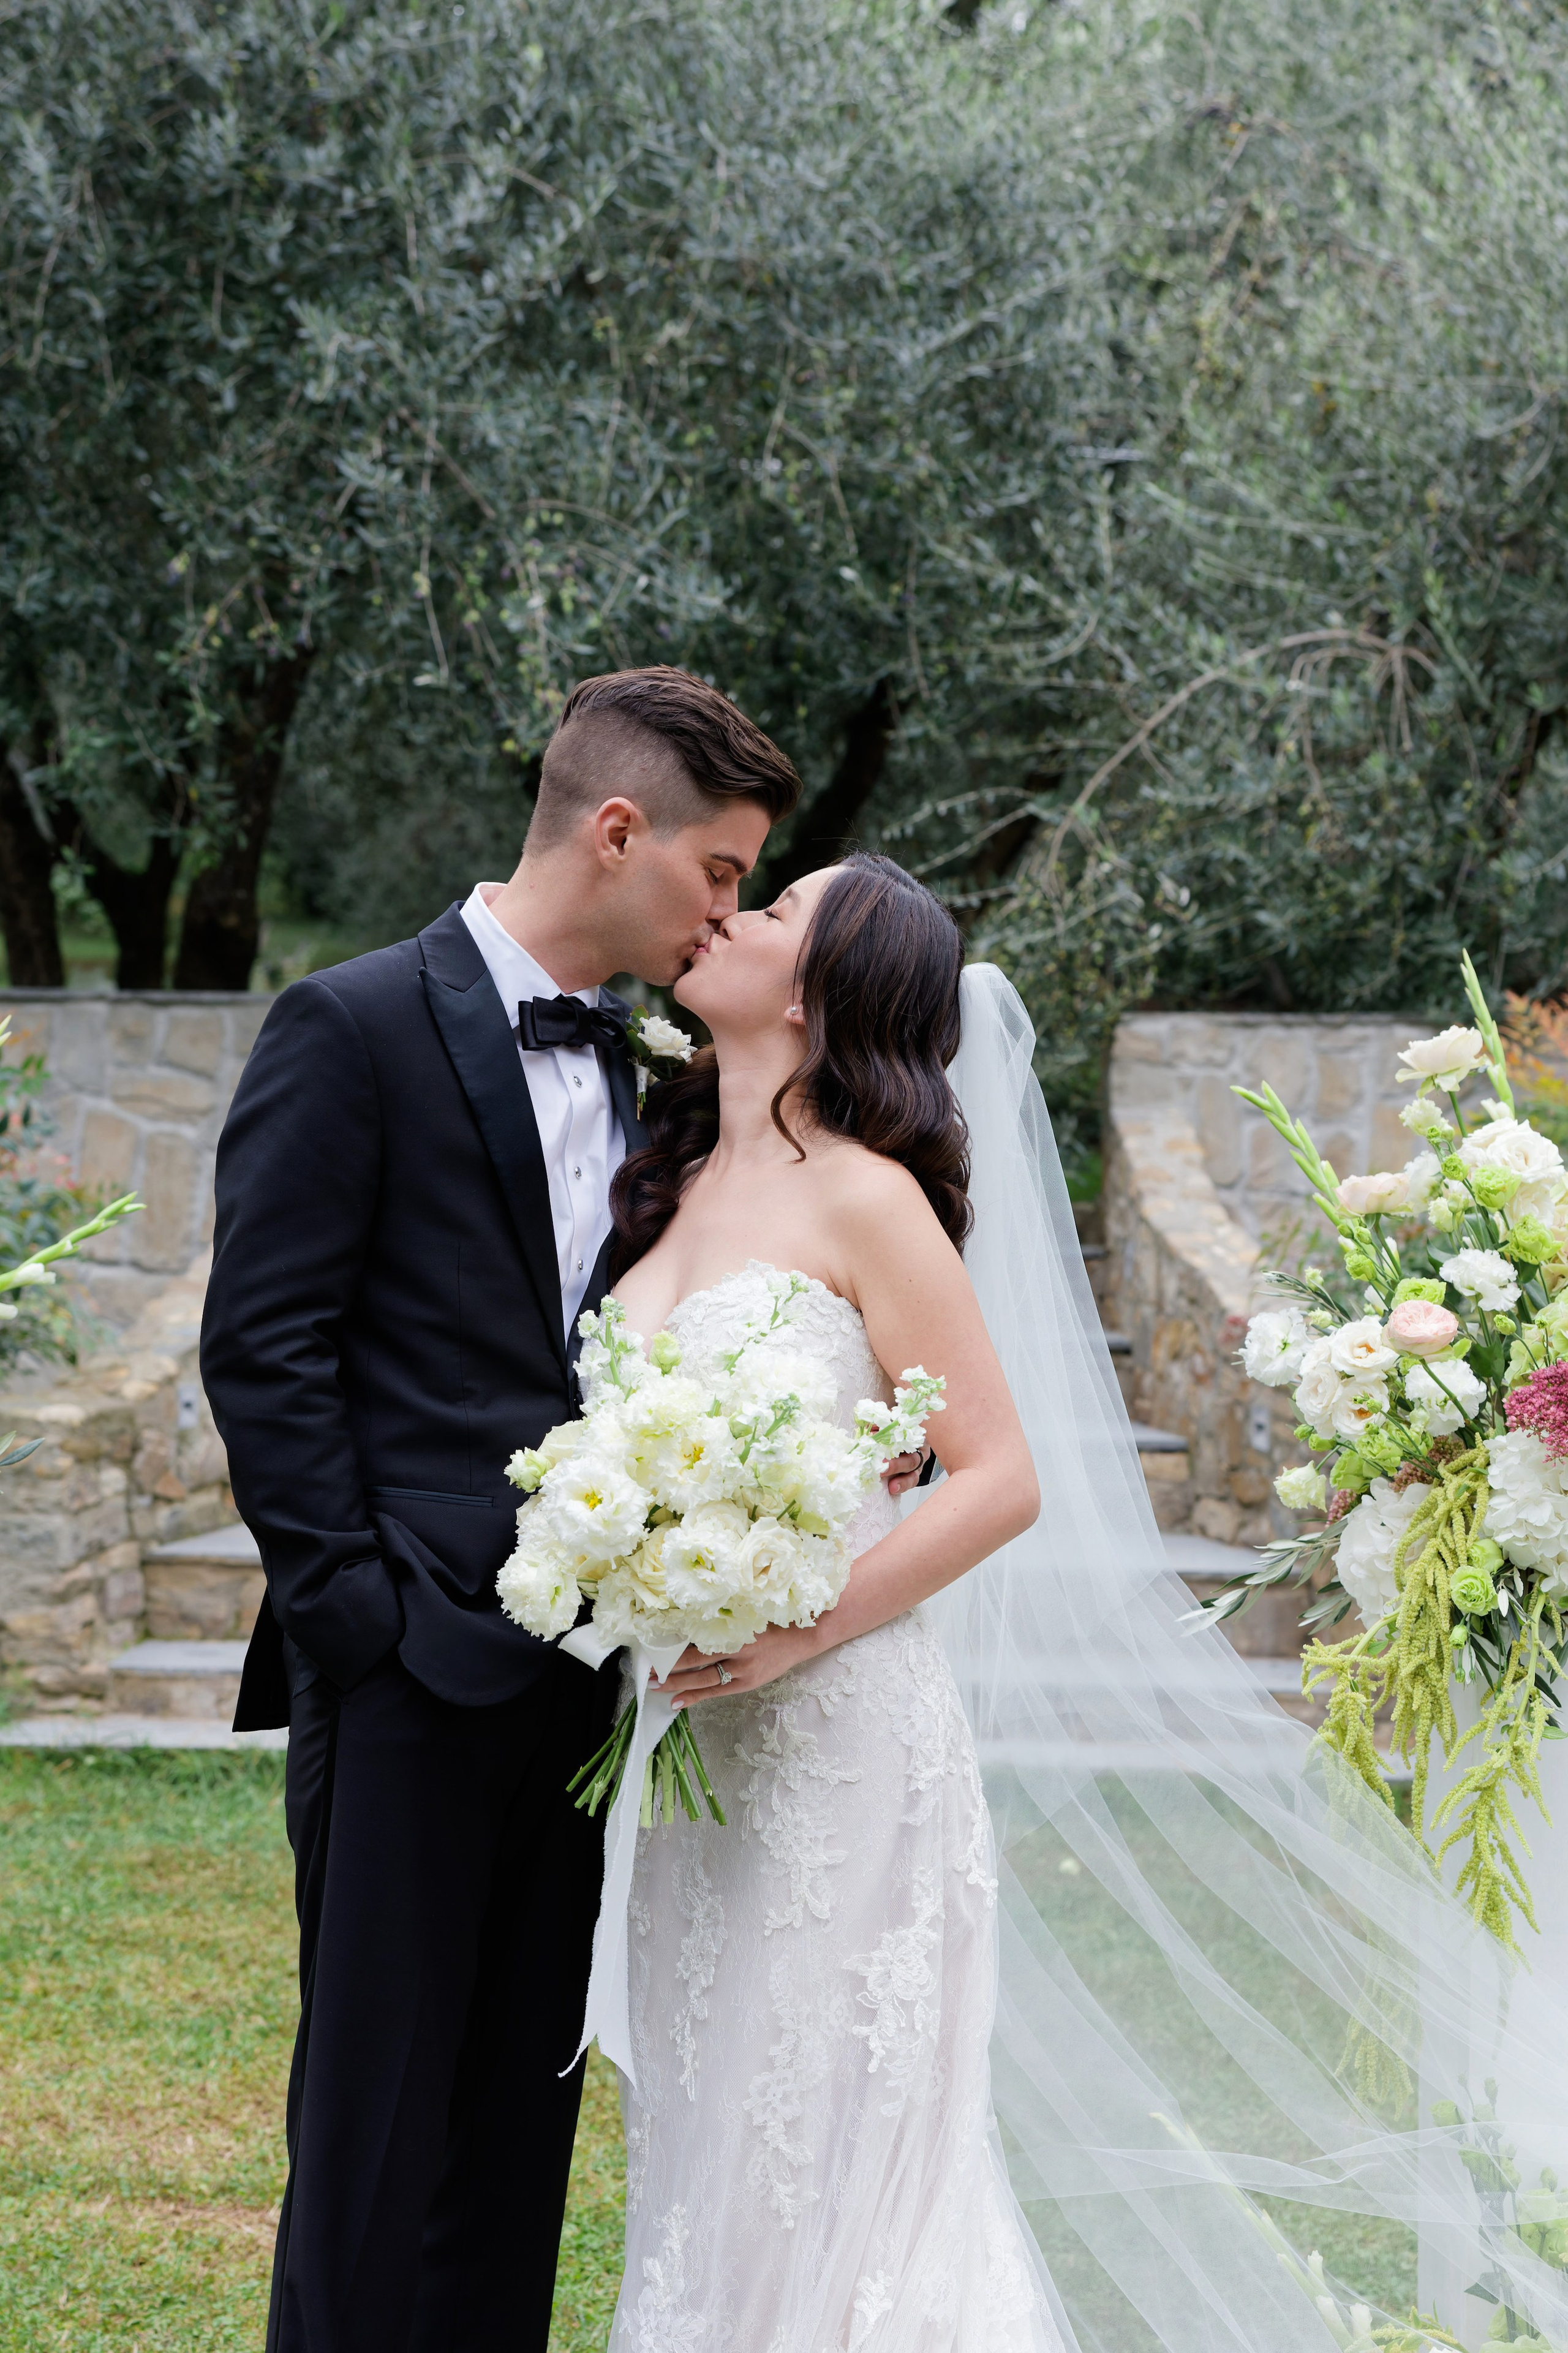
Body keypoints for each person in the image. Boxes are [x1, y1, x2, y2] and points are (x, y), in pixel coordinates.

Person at [198, 667, 803, 2353]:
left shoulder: (658, 1068)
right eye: (719, 869)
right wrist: (355, 1616)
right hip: (400, 1658)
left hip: (583, 1677)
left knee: (519, 2126)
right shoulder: (351, 1024)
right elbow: (264, 1344)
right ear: (616, 830)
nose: (725, 911)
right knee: (374, 2126)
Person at [603, 853, 1070, 2349]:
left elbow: (999, 1479)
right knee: (709, 2141)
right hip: (695, 1754)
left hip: (843, 1745)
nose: (726, 913)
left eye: (772, 909)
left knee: (822, 2162)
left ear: (815, 992)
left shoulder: (869, 1199)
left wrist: (795, 1629)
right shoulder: (665, 1176)